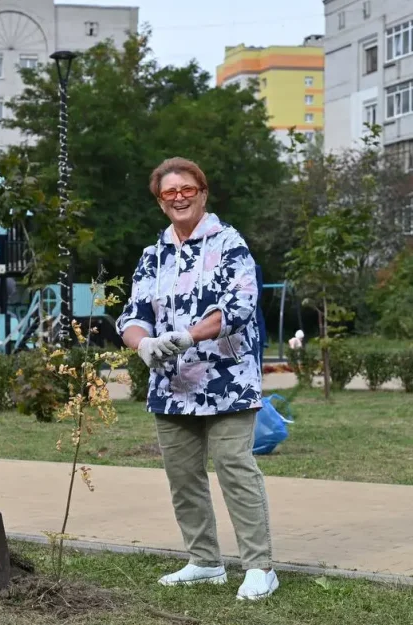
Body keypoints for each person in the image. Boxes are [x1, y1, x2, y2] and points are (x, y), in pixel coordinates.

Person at [116, 157, 278, 601]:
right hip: (172, 384)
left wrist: (187, 334)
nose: (179, 197)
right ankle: (204, 561)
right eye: (169, 192)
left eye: (187, 189)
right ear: (160, 202)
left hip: (228, 379)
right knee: (183, 476)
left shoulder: (229, 244)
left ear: (203, 193)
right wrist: (142, 345)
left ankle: (259, 566)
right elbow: (133, 315)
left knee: (234, 467)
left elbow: (239, 306)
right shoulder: (154, 256)